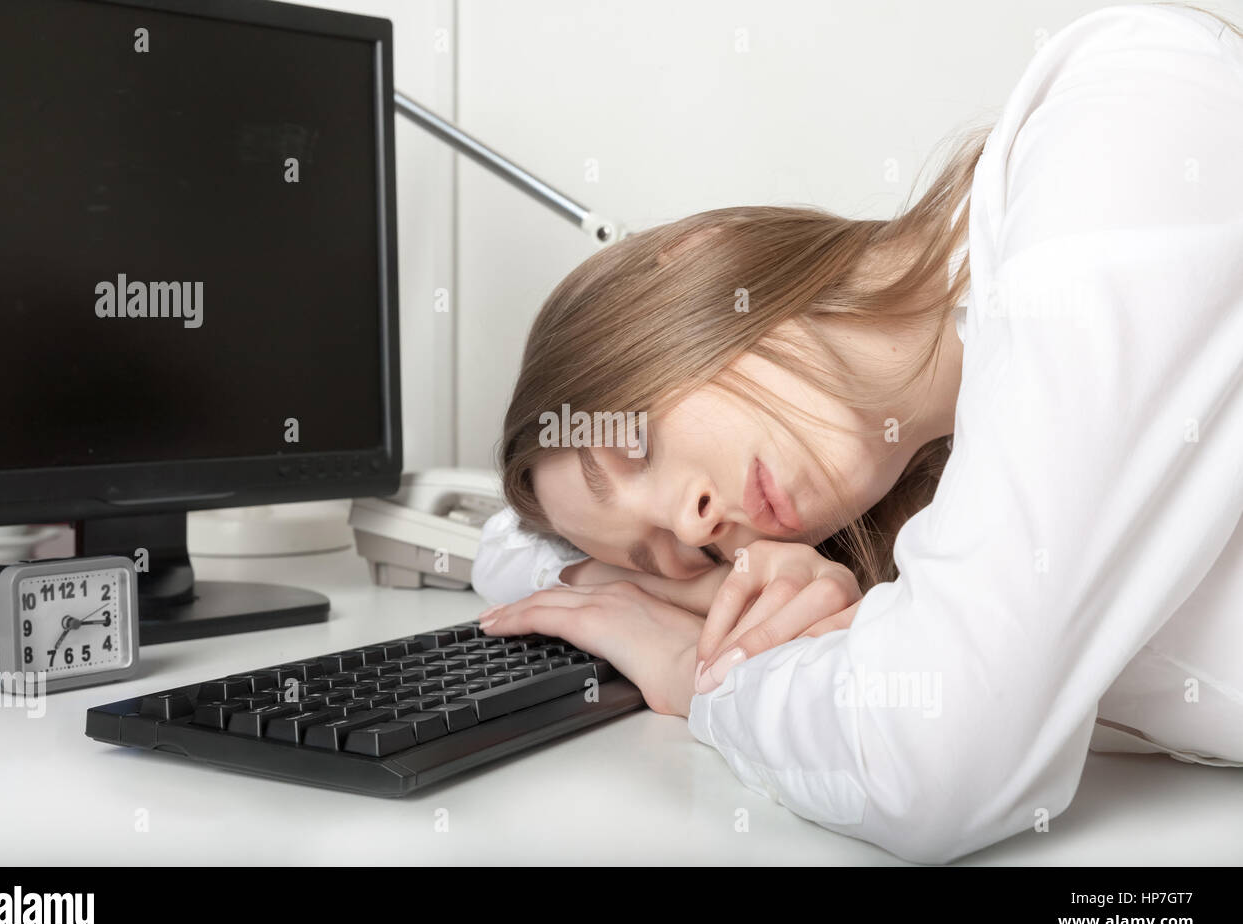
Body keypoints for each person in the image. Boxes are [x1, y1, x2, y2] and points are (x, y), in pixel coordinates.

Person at [471, 2, 1243, 863]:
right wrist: (624, 584)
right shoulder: (941, 496)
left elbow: (934, 760)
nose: (695, 528)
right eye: (672, 555)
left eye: (636, 445)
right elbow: (505, 548)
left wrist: (705, 669)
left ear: (692, 257)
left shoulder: (1124, 123)